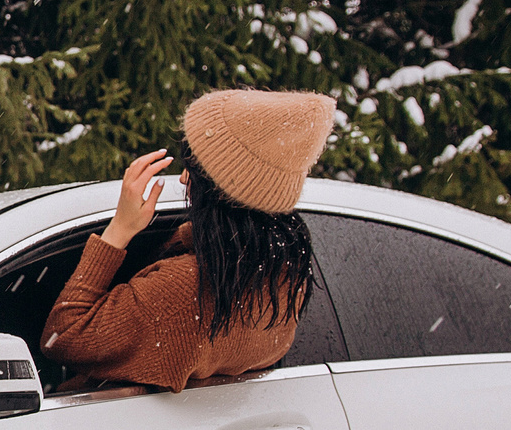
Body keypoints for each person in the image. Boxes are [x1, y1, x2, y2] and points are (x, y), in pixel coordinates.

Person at [41, 89, 335, 392]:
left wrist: (119, 230)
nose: (182, 179)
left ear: (220, 189)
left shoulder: (182, 290)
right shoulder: (284, 278)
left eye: (194, 169)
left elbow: (63, 338)